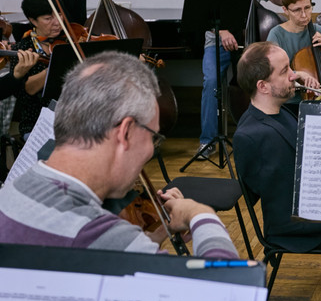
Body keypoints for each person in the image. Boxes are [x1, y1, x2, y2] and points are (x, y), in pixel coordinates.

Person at [0, 51, 238, 258]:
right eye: (153, 137)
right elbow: (227, 292)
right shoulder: (97, 234)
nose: (150, 151)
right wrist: (201, 214)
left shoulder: (12, 191)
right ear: (124, 132)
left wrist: (150, 238)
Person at [232, 41, 321, 251]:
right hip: (299, 223)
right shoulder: (251, 135)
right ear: (263, 86)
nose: (294, 75)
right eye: (285, 70)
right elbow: (268, 194)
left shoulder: (281, 112)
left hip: (319, 204)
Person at [197, 0, 283, 159]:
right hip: (217, 43)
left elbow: (281, 0)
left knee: (264, 81)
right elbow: (204, 19)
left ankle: (264, 133)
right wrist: (222, 31)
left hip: (250, 44)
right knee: (211, 82)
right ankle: (208, 141)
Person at [266, 0, 321, 109]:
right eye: (297, 10)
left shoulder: (319, 31)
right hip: (289, 102)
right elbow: (271, 70)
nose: (304, 15)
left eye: (307, 8)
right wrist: (298, 74)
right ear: (286, 10)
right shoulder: (276, 34)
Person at [8, 0, 64, 138]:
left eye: (59, 15)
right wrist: (56, 67)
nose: (57, 22)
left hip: (72, 118)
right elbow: (27, 92)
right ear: (33, 20)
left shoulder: (70, 40)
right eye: (48, 18)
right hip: (37, 124)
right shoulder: (22, 49)